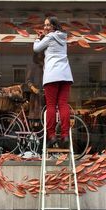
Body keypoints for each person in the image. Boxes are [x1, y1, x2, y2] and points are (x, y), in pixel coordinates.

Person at [33, 16, 73, 148]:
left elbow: (37, 49)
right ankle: (65, 135)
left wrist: (37, 38)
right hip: (65, 75)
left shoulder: (49, 37)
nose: (45, 27)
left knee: (51, 106)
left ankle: (51, 136)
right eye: (44, 25)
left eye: (48, 25)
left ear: (54, 26)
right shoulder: (63, 37)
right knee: (63, 104)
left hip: (52, 75)